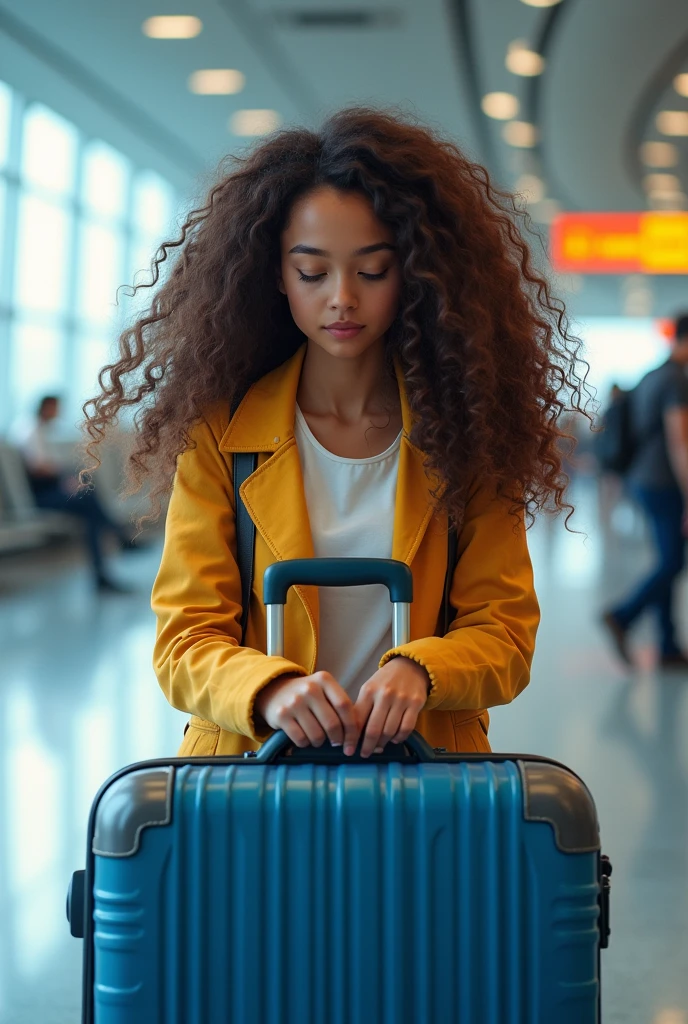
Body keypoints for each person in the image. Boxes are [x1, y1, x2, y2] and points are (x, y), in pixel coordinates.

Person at [80, 108, 588, 757]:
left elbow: (505, 635)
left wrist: (422, 670)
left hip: (423, 779)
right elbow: (184, 642)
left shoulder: (470, 437)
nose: (342, 298)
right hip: (253, 781)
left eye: (372, 271)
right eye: (313, 273)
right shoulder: (221, 434)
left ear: (416, 275)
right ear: (277, 278)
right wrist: (268, 689)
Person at [603, 314, 688, 668]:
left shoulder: (651, 376)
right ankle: (623, 616)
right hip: (663, 482)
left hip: (643, 480)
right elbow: (679, 441)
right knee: (673, 560)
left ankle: (668, 646)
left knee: (668, 557)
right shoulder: (676, 382)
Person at [21, 395, 133, 593]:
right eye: (55, 408)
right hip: (42, 496)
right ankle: (118, 537)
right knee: (88, 498)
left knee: (89, 505)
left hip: (51, 489)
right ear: (46, 407)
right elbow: (39, 469)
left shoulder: (44, 431)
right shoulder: (31, 431)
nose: (57, 412)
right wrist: (64, 478)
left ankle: (109, 559)